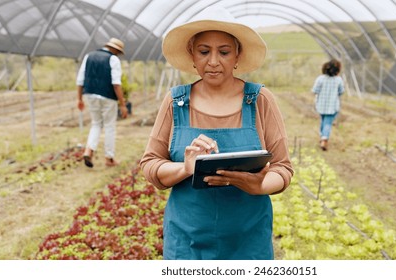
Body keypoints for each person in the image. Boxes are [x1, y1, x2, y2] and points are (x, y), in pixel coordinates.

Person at [139, 6, 293, 260]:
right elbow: (150, 165)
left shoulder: (259, 100)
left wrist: (259, 185)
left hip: (248, 240)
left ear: (237, 56)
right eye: (203, 51)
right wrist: (185, 169)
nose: (213, 61)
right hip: (186, 242)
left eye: (224, 52)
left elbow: (283, 168)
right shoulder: (176, 102)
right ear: (192, 54)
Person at [76, 38, 128, 168]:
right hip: (107, 96)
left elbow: (80, 79)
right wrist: (122, 104)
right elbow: (116, 84)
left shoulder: (89, 56)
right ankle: (109, 158)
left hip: (90, 94)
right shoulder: (113, 59)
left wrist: (79, 99)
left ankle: (89, 151)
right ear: (115, 49)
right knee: (109, 126)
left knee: (96, 124)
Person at [312, 59, 344, 151]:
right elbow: (341, 91)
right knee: (328, 123)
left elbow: (315, 90)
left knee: (323, 121)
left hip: (321, 105)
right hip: (332, 106)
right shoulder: (338, 80)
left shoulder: (320, 79)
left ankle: (322, 137)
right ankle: (324, 138)